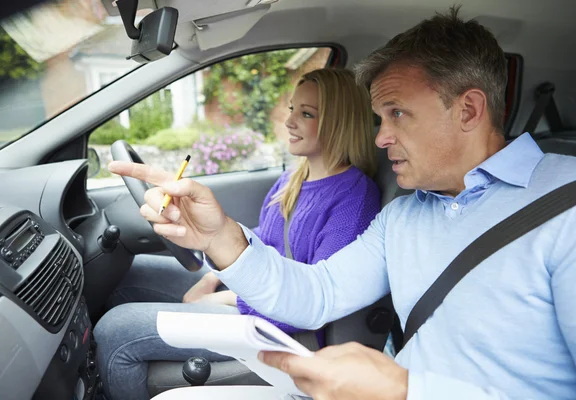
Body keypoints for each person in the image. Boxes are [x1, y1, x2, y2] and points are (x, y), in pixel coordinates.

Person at [109, 7, 576, 400]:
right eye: (377, 117)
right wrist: (221, 238)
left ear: (468, 109)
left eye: (397, 114)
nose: (381, 137)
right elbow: (317, 292)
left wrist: (408, 391)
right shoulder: (406, 214)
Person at [94, 68, 382, 400]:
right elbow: (265, 237)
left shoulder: (354, 199)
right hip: (253, 292)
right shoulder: (295, 177)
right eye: (292, 109)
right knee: (130, 275)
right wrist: (211, 276)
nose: (289, 121)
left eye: (307, 114)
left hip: (280, 328)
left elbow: (314, 298)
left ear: (339, 122)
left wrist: (222, 297)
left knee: (116, 331)